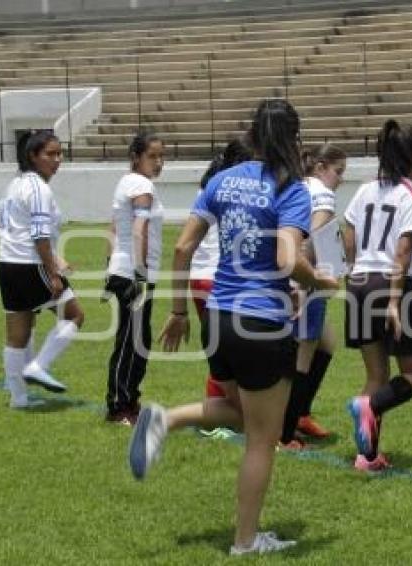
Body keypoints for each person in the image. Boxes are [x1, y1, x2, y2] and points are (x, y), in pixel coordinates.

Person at [128, 99, 338, 556]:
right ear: (293, 138)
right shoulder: (293, 188)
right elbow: (287, 259)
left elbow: (183, 248)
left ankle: (167, 419)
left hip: (217, 318)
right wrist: (317, 279)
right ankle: (245, 541)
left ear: (254, 134)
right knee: (263, 438)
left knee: (242, 413)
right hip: (262, 321)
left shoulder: (223, 180)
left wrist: (180, 311)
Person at [344, 119, 412, 471]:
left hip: (360, 283)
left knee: (375, 375)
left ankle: (367, 458)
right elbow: (403, 249)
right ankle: (369, 407)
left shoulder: (365, 190)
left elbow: (349, 230)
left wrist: (354, 269)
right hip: (391, 287)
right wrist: (395, 302)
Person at [0, 130, 85, 409]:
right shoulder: (38, 188)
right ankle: (39, 366)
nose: (57, 160)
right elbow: (38, 235)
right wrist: (53, 270)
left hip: (7, 265)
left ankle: (18, 399)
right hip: (31, 265)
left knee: (17, 334)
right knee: (74, 315)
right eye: (50, 154)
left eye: (60, 154)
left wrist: (55, 259)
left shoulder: (15, 185)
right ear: (33, 156)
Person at [281, 143, 347, 447]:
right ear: (320, 166)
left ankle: (301, 413)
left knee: (326, 342)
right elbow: (308, 241)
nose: (341, 179)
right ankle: (285, 431)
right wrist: (301, 284)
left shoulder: (300, 186)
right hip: (308, 283)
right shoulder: (322, 192)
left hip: (305, 281)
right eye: (338, 171)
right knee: (303, 356)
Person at [104, 132, 165, 425]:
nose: (158, 162)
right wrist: (139, 274)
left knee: (138, 340)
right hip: (133, 274)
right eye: (152, 156)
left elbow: (114, 226)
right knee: (131, 341)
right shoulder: (140, 184)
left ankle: (129, 400)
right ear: (136, 157)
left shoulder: (126, 182)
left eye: (161, 156)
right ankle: (118, 406)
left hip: (126, 270)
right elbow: (138, 229)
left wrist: (110, 263)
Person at [188, 137, 252, 403]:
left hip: (199, 276)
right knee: (228, 352)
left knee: (220, 349)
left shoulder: (209, 188)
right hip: (218, 276)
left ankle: (224, 412)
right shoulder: (236, 191)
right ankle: (217, 414)